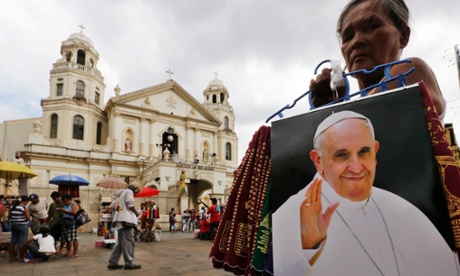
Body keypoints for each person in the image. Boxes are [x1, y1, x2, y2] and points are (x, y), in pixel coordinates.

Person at [272, 111, 459, 275]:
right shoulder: (289, 215)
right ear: (318, 161)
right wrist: (307, 249)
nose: (355, 167)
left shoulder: (399, 207)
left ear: (375, 152)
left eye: (363, 153)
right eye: (342, 155)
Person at [309, 0, 445, 119]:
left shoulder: (411, 70)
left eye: (372, 27)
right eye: (348, 37)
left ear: (403, 36)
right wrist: (333, 107)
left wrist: (333, 114)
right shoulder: (354, 113)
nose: (356, 41)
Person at [107, 182, 142, 270]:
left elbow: (111, 206)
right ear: (135, 189)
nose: (136, 193)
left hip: (119, 220)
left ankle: (113, 262)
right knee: (128, 242)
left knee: (120, 243)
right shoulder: (129, 191)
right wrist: (136, 214)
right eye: (137, 191)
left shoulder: (120, 194)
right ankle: (129, 263)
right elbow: (130, 204)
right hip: (125, 220)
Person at [8, 195, 31, 262]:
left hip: (13, 225)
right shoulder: (23, 207)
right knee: (22, 242)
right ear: (26, 201)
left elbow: (10, 216)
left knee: (13, 241)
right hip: (22, 226)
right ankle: (21, 257)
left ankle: (12, 257)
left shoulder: (12, 207)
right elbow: (28, 217)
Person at [58, 194, 79, 258]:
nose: (65, 203)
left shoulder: (73, 204)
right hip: (65, 223)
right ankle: (68, 251)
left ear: (70, 200)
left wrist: (64, 210)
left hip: (72, 223)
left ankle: (75, 253)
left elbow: (74, 212)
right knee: (67, 239)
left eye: (66, 201)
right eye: (63, 201)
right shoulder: (65, 205)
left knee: (74, 238)